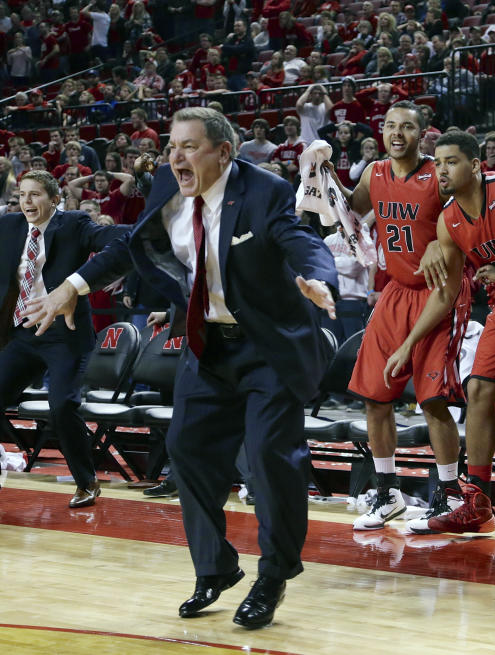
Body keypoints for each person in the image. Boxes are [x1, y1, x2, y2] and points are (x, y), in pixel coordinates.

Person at [25, 108, 339, 630]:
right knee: (186, 448)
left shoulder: (265, 191)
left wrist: (317, 277)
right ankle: (215, 568)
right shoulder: (168, 190)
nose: (175, 156)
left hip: (269, 348)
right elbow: (130, 245)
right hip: (208, 345)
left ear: (223, 151)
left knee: (267, 457)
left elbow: (299, 239)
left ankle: (274, 574)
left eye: (189, 146)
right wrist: (70, 287)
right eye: (173, 145)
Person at [327, 100, 469, 533]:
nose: (396, 133)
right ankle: (387, 493)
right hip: (396, 291)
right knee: (374, 395)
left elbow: (469, 205)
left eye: (406, 127)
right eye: (389, 125)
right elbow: (352, 207)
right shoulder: (374, 172)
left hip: (440, 290)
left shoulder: (438, 175)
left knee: (432, 400)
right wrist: (322, 171)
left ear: (422, 133)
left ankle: (449, 495)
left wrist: (443, 239)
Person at [414, 132, 495, 534]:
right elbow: (447, 291)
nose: (441, 170)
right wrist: (409, 342)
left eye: (451, 162)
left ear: (477, 166)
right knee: (478, 391)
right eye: (437, 163)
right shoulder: (448, 221)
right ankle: (477, 499)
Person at [1, 171, 128, 507]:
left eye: (36, 195)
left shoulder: (74, 224)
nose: (27, 202)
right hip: (21, 333)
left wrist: (75, 284)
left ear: (54, 199)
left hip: (64, 336)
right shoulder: (9, 227)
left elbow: (118, 239)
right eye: (23, 194)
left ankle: (86, 482)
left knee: (62, 406)